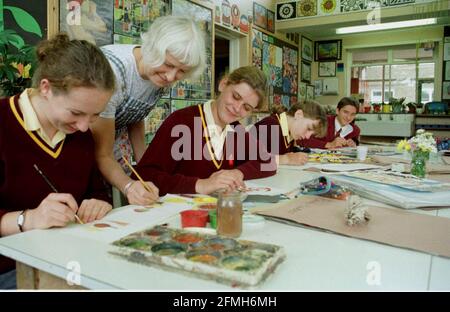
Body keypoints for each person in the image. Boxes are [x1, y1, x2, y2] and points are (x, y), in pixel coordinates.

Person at [0, 34, 115, 289]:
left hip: (69, 259)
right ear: (46, 88)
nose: (85, 126)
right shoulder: (4, 123)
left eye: (95, 115)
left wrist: (98, 203)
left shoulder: (80, 137)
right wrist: (27, 219)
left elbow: (96, 191)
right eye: (76, 113)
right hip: (11, 267)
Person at [90, 15, 206, 206]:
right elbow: (102, 153)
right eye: (168, 65)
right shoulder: (112, 72)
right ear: (152, 48)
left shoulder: (159, 76)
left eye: (181, 71)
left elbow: (136, 114)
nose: (171, 77)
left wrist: (144, 168)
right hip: (86, 145)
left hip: (115, 147)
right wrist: (128, 186)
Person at [134, 66, 277, 196]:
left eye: (246, 108)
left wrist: (238, 172)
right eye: (235, 96)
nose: (237, 108)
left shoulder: (235, 129)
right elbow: (145, 175)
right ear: (223, 84)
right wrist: (201, 185)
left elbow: (268, 161)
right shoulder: (183, 121)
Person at [252, 100, 327, 166]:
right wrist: (286, 159)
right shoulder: (270, 125)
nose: (307, 136)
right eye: (309, 128)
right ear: (298, 115)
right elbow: (248, 159)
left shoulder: (288, 133)